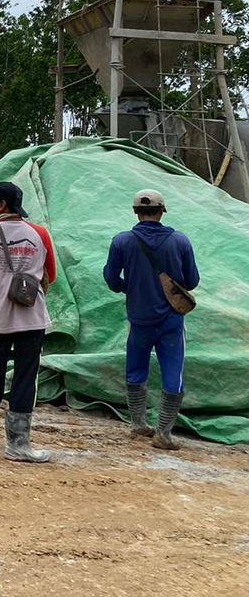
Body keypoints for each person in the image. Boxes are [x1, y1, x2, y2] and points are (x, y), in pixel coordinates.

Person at [0, 181, 57, 463]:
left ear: (1, 205)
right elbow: (49, 275)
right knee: (25, 377)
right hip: (32, 317)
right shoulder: (40, 234)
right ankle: (18, 443)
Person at [103, 189, 199, 450]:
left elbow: (111, 279)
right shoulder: (180, 241)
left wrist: (128, 287)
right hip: (171, 321)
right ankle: (164, 433)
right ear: (162, 211)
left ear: (135, 212)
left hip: (139, 318)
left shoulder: (122, 241)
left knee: (135, 368)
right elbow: (192, 281)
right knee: (172, 373)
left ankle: (137, 425)